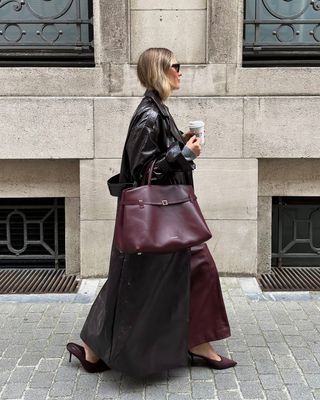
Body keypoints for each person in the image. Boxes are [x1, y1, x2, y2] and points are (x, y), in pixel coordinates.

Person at [66, 48, 236, 376]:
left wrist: (180, 141)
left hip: (170, 215)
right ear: (161, 71)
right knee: (136, 280)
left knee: (187, 271)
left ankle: (197, 342)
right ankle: (93, 348)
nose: (181, 71)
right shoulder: (149, 115)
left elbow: (155, 156)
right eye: (176, 66)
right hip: (159, 215)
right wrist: (183, 153)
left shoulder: (158, 110)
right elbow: (145, 172)